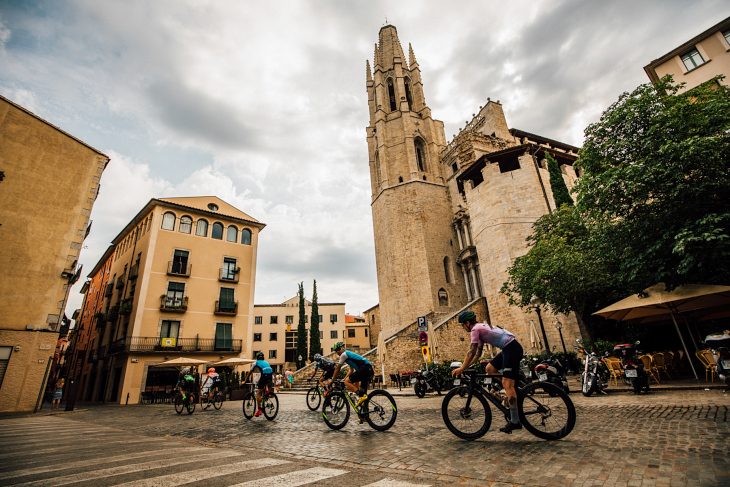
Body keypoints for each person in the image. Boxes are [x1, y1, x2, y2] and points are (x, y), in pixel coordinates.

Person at [451, 310, 524, 434]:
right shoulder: (479, 329)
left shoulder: (475, 330)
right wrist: (467, 366)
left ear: (468, 323)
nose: (463, 328)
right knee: (489, 369)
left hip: (512, 348)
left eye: (463, 325)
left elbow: (471, 351)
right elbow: (477, 354)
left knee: (507, 384)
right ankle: (510, 390)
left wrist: (462, 368)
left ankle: (515, 420)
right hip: (508, 349)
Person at [329, 342, 373, 409]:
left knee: (347, 382)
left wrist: (332, 379)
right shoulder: (349, 356)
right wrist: (344, 378)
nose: (337, 351)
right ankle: (365, 416)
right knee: (363, 394)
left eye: (338, 349)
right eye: (336, 350)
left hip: (364, 368)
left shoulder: (344, 354)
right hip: (368, 369)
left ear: (342, 348)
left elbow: (337, 368)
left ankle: (360, 395)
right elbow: (351, 370)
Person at [244, 352, 273, 417]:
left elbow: (249, 373)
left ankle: (259, 410)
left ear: (257, 358)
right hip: (270, 375)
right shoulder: (266, 362)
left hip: (264, 375)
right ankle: (266, 393)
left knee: (259, 393)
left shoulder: (255, 363)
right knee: (263, 383)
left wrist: (245, 381)